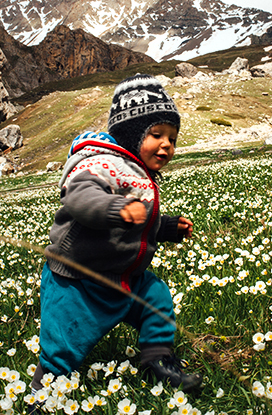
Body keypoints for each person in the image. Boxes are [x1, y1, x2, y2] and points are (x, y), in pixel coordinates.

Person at [30, 74, 202, 400]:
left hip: (125, 277)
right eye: (156, 134)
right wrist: (117, 208)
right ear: (131, 134)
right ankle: (43, 393)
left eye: (172, 138)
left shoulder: (138, 171)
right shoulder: (102, 163)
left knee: (157, 299)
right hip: (79, 280)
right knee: (63, 344)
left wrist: (164, 227)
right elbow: (78, 197)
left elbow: (138, 221)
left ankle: (158, 360)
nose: (167, 144)